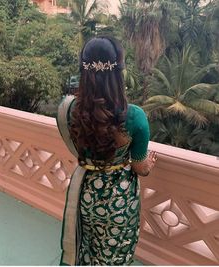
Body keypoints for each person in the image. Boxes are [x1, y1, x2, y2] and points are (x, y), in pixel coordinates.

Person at [56, 36, 157, 266]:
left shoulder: (70, 110)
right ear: (118, 72)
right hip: (119, 204)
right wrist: (148, 165)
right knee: (115, 259)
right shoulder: (135, 117)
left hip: (86, 196)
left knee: (88, 252)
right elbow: (140, 168)